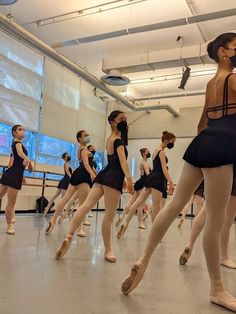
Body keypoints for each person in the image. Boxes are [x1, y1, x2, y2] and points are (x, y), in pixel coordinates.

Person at [120, 32, 236, 312]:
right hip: (223, 147)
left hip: (202, 143)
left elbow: (201, 124)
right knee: (216, 220)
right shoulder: (233, 79)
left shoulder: (211, 84)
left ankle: (144, 257)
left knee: (173, 205)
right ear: (223, 52)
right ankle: (217, 289)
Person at [55, 110, 134, 262]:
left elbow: (115, 161)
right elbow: (123, 161)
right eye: (121, 119)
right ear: (112, 122)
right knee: (109, 217)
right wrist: (129, 179)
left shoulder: (110, 139)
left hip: (103, 175)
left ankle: (69, 235)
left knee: (85, 206)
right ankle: (108, 250)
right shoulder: (118, 141)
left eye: (125, 118)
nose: (124, 121)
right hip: (113, 178)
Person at [117, 131, 175, 239]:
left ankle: (126, 222)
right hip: (157, 180)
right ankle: (155, 234)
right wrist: (171, 182)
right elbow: (163, 168)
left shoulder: (155, 151)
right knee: (156, 208)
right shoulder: (161, 152)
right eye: (172, 141)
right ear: (167, 140)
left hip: (150, 179)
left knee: (138, 202)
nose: (173, 144)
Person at [45, 130, 96, 237]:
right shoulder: (83, 149)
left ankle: (53, 220)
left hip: (77, 174)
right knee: (82, 204)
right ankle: (80, 229)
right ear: (80, 139)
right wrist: (92, 173)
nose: (88, 137)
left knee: (66, 198)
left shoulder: (83, 149)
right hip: (84, 175)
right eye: (85, 135)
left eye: (88, 135)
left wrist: (95, 173)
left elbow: (89, 164)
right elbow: (87, 164)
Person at [179, 177, 236, 269]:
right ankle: (224, 257)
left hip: (217, 174)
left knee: (204, 212)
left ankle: (190, 244)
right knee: (227, 221)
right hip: (233, 176)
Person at [0, 125, 32, 235]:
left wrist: (22, 176)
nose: (23, 131)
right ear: (14, 132)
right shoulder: (17, 143)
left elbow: (17, 163)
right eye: (20, 129)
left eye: (24, 129)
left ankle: (10, 224)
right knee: (11, 204)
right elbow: (20, 154)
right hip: (13, 176)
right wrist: (27, 158)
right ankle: (10, 226)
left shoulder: (18, 144)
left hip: (12, 174)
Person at [116, 147, 151, 229]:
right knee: (141, 205)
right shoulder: (145, 163)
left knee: (132, 202)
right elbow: (148, 175)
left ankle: (122, 217)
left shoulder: (142, 163)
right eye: (148, 152)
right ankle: (140, 222)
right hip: (142, 184)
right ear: (143, 154)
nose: (149, 153)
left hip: (139, 183)